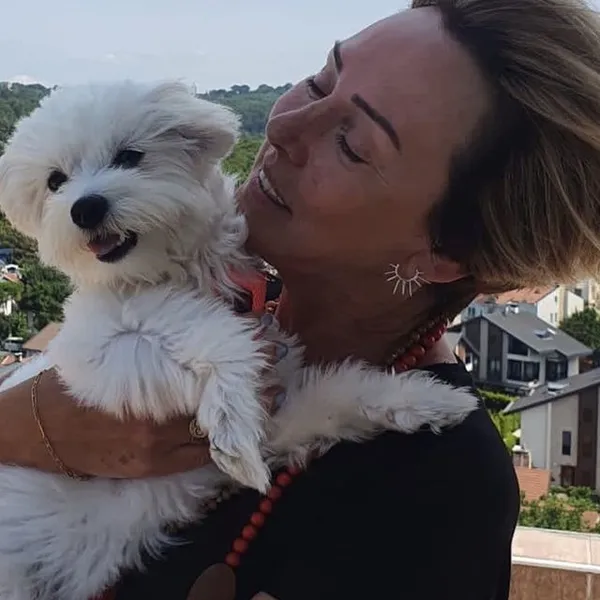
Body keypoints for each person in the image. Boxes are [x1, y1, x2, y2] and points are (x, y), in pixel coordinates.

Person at [3, 0, 600, 597]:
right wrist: (27, 425)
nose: (283, 127)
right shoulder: (193, 292)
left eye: (353, 144)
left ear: (447, 250)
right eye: (321, 79)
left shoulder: (439, 490)